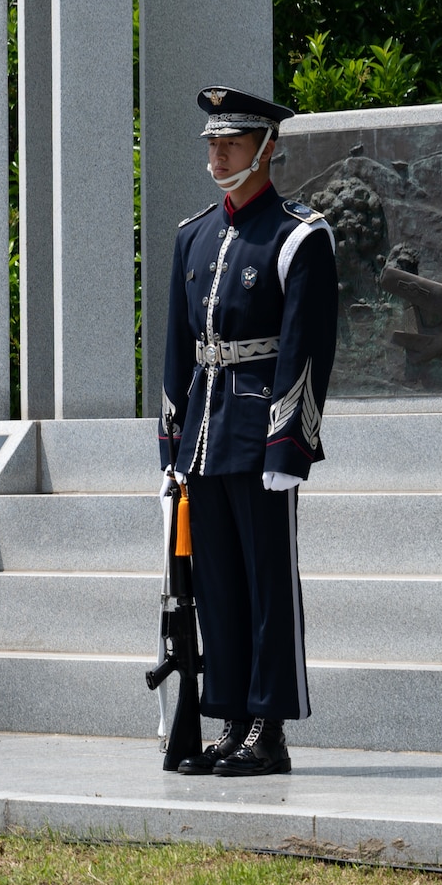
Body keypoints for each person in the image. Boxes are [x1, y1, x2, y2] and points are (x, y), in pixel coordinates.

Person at [157, 87, 337, 778]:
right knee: (219, 585)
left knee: (267, 584)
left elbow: (307, 348)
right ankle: (231, 720)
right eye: (211, 143)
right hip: (204, 431)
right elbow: (178, 349)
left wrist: (289, 444)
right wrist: (172, 446)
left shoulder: (298, 234)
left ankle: (270, 725)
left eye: (231, 143)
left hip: (261, 433)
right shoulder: (193, 234)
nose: (217, 154)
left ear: (267, 149)